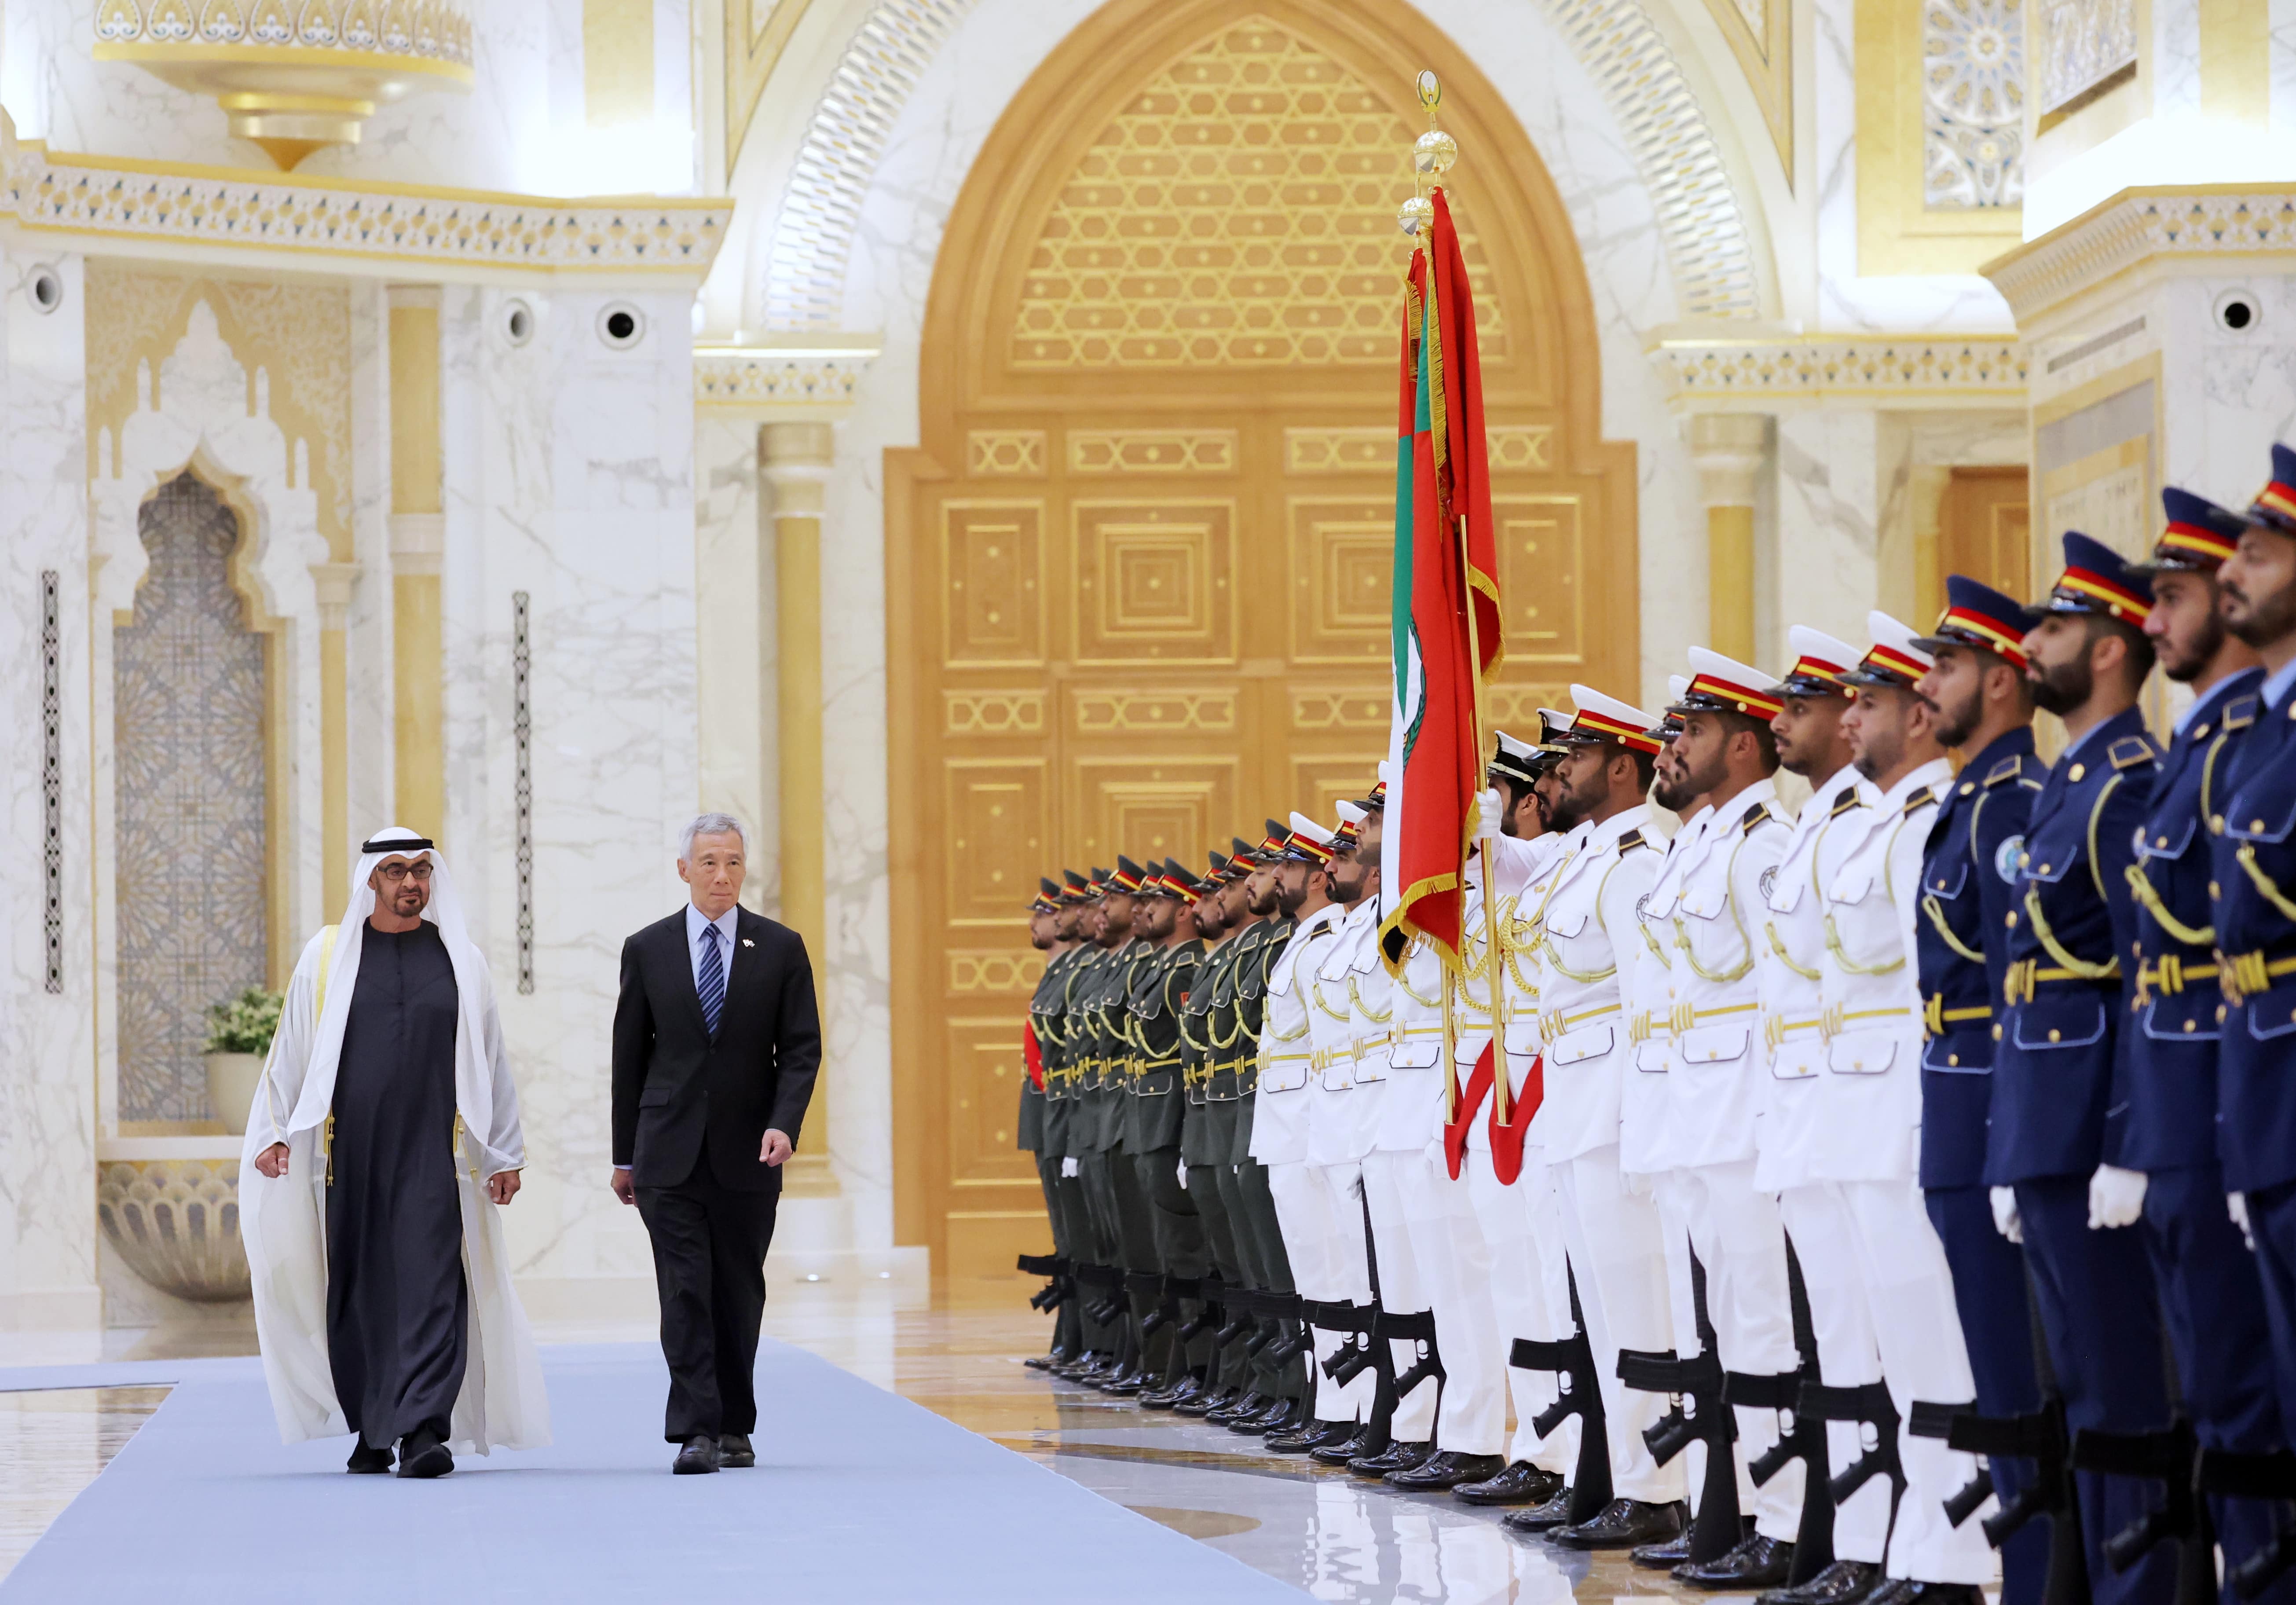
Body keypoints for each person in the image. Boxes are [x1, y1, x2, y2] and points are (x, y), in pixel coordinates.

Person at [242, 827, 549, 1478]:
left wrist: (504, 1154)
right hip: (350, 1155)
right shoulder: (329, 957)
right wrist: (273, 1130)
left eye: (421, 871)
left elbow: (491, 1061)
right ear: (373, 880)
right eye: (397, 872)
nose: (412, 883)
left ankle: (424, 1432)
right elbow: (291, 1050)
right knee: (360, 1290)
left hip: (435, 1154)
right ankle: (375, 1428)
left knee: (436, 1281)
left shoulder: (461, 960)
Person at [1991, 534, 2174, 1605]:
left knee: (2123, 1396)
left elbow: (2146, 976)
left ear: (2108, 649)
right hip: (2041, 1129)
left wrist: (2121, 1142)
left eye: (2053, 629)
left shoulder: (2124, 788)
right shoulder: (2071, 785)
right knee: (2084, 1392)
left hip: (2089, 1130)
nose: (2033, 645)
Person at [2117, 487, 2292, 1605]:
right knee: (2233, 1392)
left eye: (2259, 553)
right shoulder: (2235, 738)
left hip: (2246, 1092)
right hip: (2225, 1098)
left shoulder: (2245, 740)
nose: (2161, 618)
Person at [1904, 577, 2053, 1605]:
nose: (1930, 684)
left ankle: (2045, 1578)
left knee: (2025, 1376)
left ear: (2001, 681)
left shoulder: (2013, 810)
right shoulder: (1970, 799)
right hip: (1954, 1111)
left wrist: (2011, 1140)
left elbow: (2023, 987)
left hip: (1995, 1109)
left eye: (1949, 666)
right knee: (1993, 1376)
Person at [611, 812, 821, 1475]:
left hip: (749, 1152)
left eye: (732, 862)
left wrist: (785, 1122)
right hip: (667, 1152)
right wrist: (625, 1155)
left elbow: (801, 1051)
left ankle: (735, 1424)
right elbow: (628, 1059)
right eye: (708, 863)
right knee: (684, 1290)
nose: (721, 875)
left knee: (737, 1290)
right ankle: (695, 1429)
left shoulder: (781, 948)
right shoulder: (647, 949)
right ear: (683, 870)